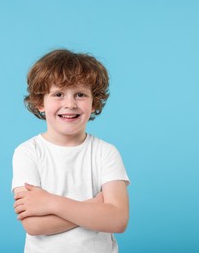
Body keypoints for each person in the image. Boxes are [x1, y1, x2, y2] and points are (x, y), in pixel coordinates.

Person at [12, 49, 130, 253]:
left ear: (94, 102)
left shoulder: (106, 153)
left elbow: (118, 220)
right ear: (40, 102)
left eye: (80, 94)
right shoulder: (27, 152)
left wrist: (49, 202)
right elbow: (34, 226)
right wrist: (93, 207)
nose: (70, 104)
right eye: (58, 94)